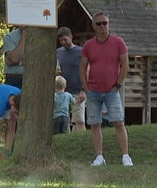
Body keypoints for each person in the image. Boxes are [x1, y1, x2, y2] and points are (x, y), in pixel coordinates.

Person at [79, 12, 133, 167]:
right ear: (93, 26)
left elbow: (125, 64)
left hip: (112, 91)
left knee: (118, 122)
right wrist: (86, 87)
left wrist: (118, 83)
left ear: (109, 24)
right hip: (93, 91)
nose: (102, 26)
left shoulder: (118, 42)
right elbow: (82, 66)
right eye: (99, 24)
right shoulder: (89, 45)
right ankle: (99, 156)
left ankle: (125, 155)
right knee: (95, 123)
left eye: (105, 23)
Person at [56, 27, 86, 132]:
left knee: (79, 120)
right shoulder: (58, 52)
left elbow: (87, 70)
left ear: (71, 37)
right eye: (61, 40)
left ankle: (81, 140)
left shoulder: (81, 52)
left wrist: (83, 90)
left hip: (77, 91)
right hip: (61, 93)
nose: (63, 42)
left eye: (65, 39)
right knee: (64, 119)